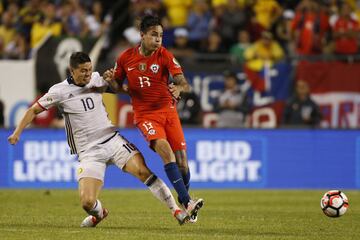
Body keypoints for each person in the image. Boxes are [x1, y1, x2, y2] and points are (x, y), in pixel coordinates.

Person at [8, 52, 190, 227]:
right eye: (83, 71)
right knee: (87, 202)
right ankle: (100, 213)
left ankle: (176, 211)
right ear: (72, 71)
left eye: (89, 69)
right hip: (89, 152)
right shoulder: (59, 91)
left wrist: (118, 81)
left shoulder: (97, 78)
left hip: (113, 140)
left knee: (144, 172)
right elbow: (33, 110)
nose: (88, 74)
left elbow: (123, 89)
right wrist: (17, 133)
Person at [104, 15, 204, 222]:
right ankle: (187, 202)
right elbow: (117, 88)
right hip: (146, 115)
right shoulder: (125, 58)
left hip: (169, 111)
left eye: (160, 35)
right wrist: (111, 81)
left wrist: (179, 87)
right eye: (154, 35)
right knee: (166, 152)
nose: (158, 39)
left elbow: (184, 83)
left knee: (183, 163)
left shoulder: (165, 55)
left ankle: (186, 204)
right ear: (142, 35)